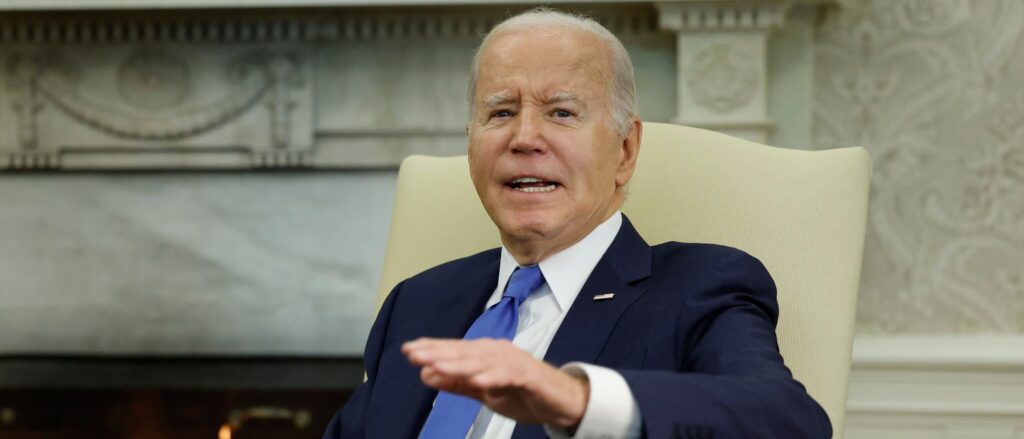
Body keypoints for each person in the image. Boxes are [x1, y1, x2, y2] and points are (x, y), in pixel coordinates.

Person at [324, 8, 831, 439]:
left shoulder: (697, 286)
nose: (524, 138)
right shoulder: (419, 301)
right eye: (500, 113)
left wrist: (576, 398)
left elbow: (789, 422)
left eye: (561, 112)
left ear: (626, 151)